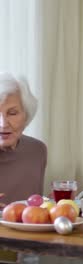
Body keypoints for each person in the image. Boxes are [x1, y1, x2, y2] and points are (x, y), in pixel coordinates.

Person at [0, 73, 47, 206]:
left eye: (12, 113)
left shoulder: (37, 150)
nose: (3, 124)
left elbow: (35, 208)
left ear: (26, 115)